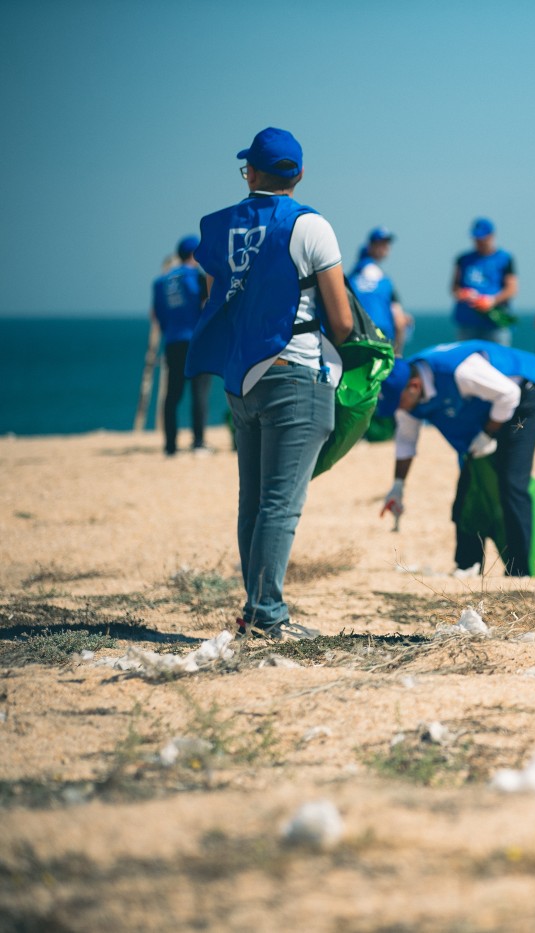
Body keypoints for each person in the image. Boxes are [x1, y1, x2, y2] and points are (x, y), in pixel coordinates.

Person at [186, 126, 353, 639]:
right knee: (280, 504)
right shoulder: (311, 226)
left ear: (251, 172)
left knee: (254, 502)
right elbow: (342, 322)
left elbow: (216, 303)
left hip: (242, 380)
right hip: (296, 374)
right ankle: (266, 616)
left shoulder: (220, 228)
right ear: (298, 174)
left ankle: (257, 608)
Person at [376, 342, 535, 577]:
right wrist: (398, 486)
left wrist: (487, 434)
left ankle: (520, 571)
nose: (397, 410)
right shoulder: (406, 394)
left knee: (511, 480)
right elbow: (406, 441)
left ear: (414, 386)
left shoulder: (460, 371)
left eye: (397, 403)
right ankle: (468, 563)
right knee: (472, 479)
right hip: (489, 410)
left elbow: (508, 394)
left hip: (523, 400)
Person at [149, 235, 212, 456]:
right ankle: (198, 442)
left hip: (173, 341)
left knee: (172, 395)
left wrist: (169, 331)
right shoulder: (197, 277)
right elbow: (207, 307)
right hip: (196, 340)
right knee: (199, 392)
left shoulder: (161, 282)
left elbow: (157, 314)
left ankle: (170, 445)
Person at [452, 218, 517, 345]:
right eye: (476, 238)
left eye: (482, 238)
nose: (479, 242)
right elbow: (455, 287)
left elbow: (512, 289)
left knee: (497, 360)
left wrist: (491, 300)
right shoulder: (463, 259)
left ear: (491, 236)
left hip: (494, 322)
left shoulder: (504, 258)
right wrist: (464, 294)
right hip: (468, 321)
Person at [350, 227, 413, 355]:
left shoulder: (351, 279)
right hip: (380, 338)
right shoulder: (384, 282)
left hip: (353, 339)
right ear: (370, 247)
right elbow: (399, 321)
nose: (385, 248)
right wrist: (397, 353)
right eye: (381, 244)